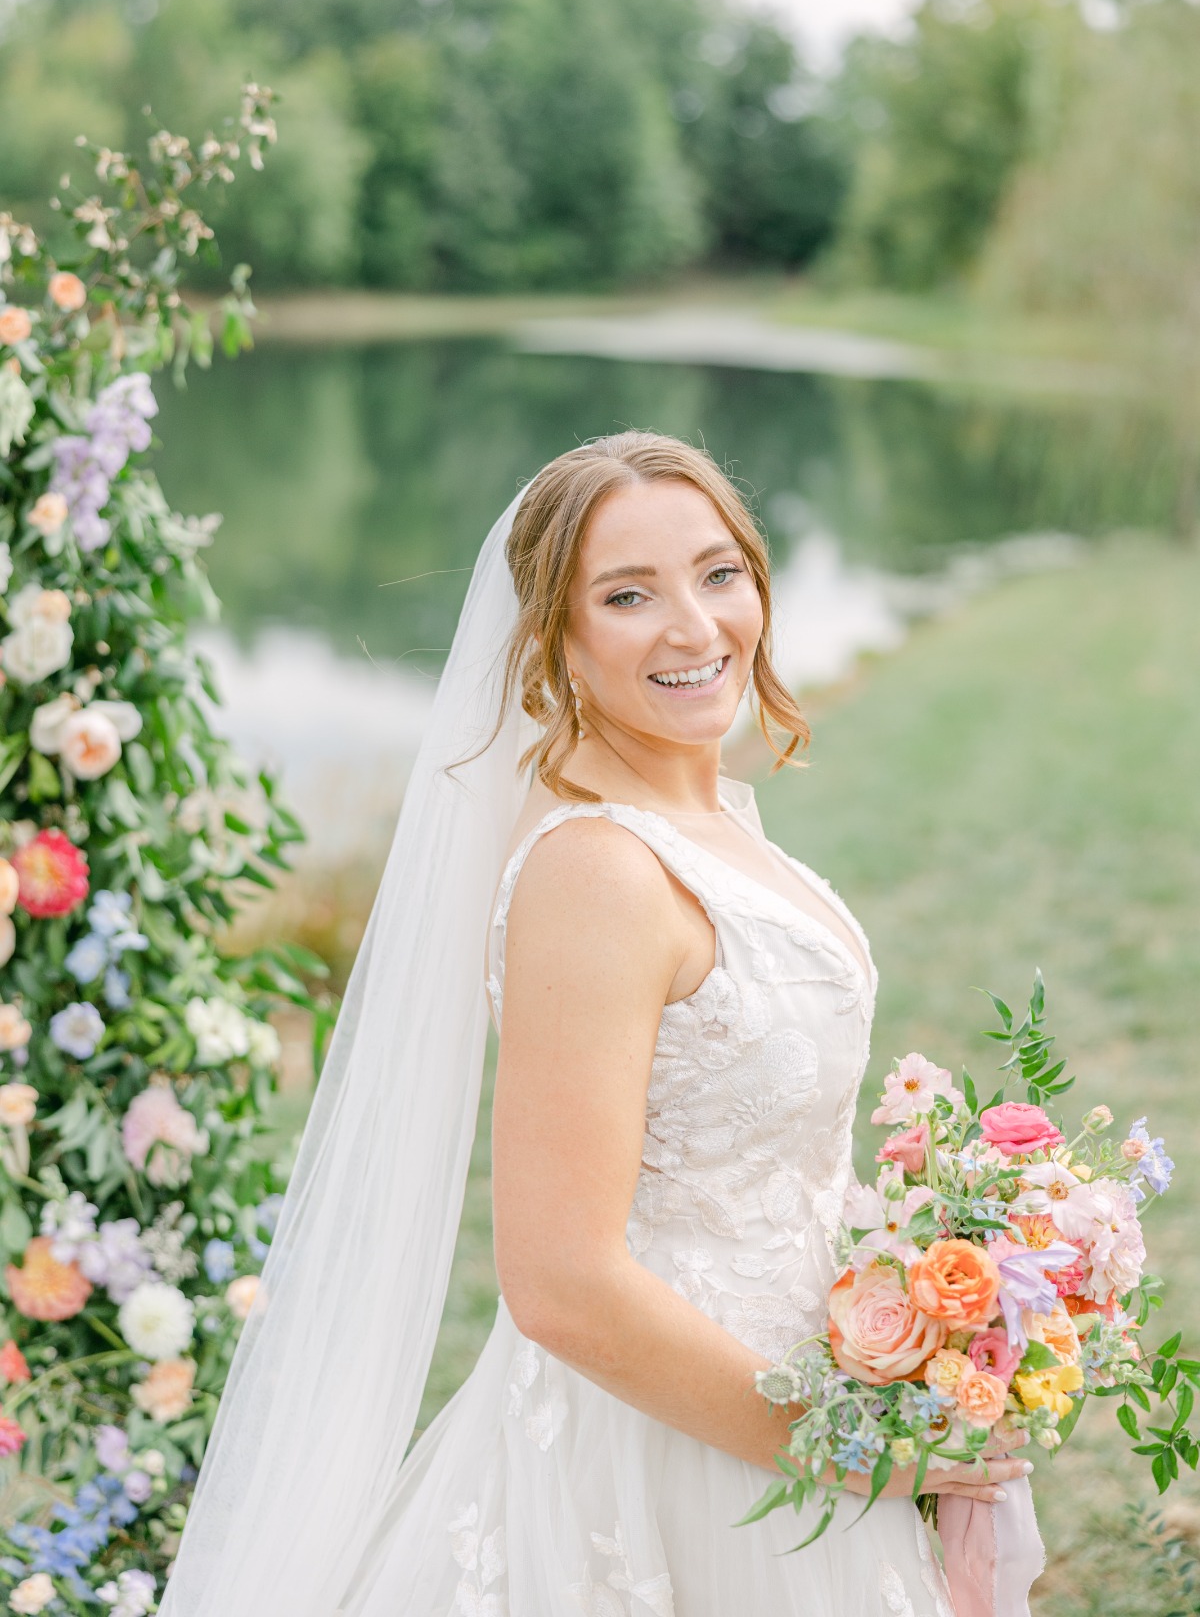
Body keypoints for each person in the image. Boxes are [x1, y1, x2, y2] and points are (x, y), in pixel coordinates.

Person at [162, 433, 1033, 1617]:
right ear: (553, 640)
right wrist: (845, 1450)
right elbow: (561, 1283)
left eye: (719, 573)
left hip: (805, 1388)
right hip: (679, 1454)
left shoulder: (711, 812)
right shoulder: (598, 872)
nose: (695, 626)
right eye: (628, 596)